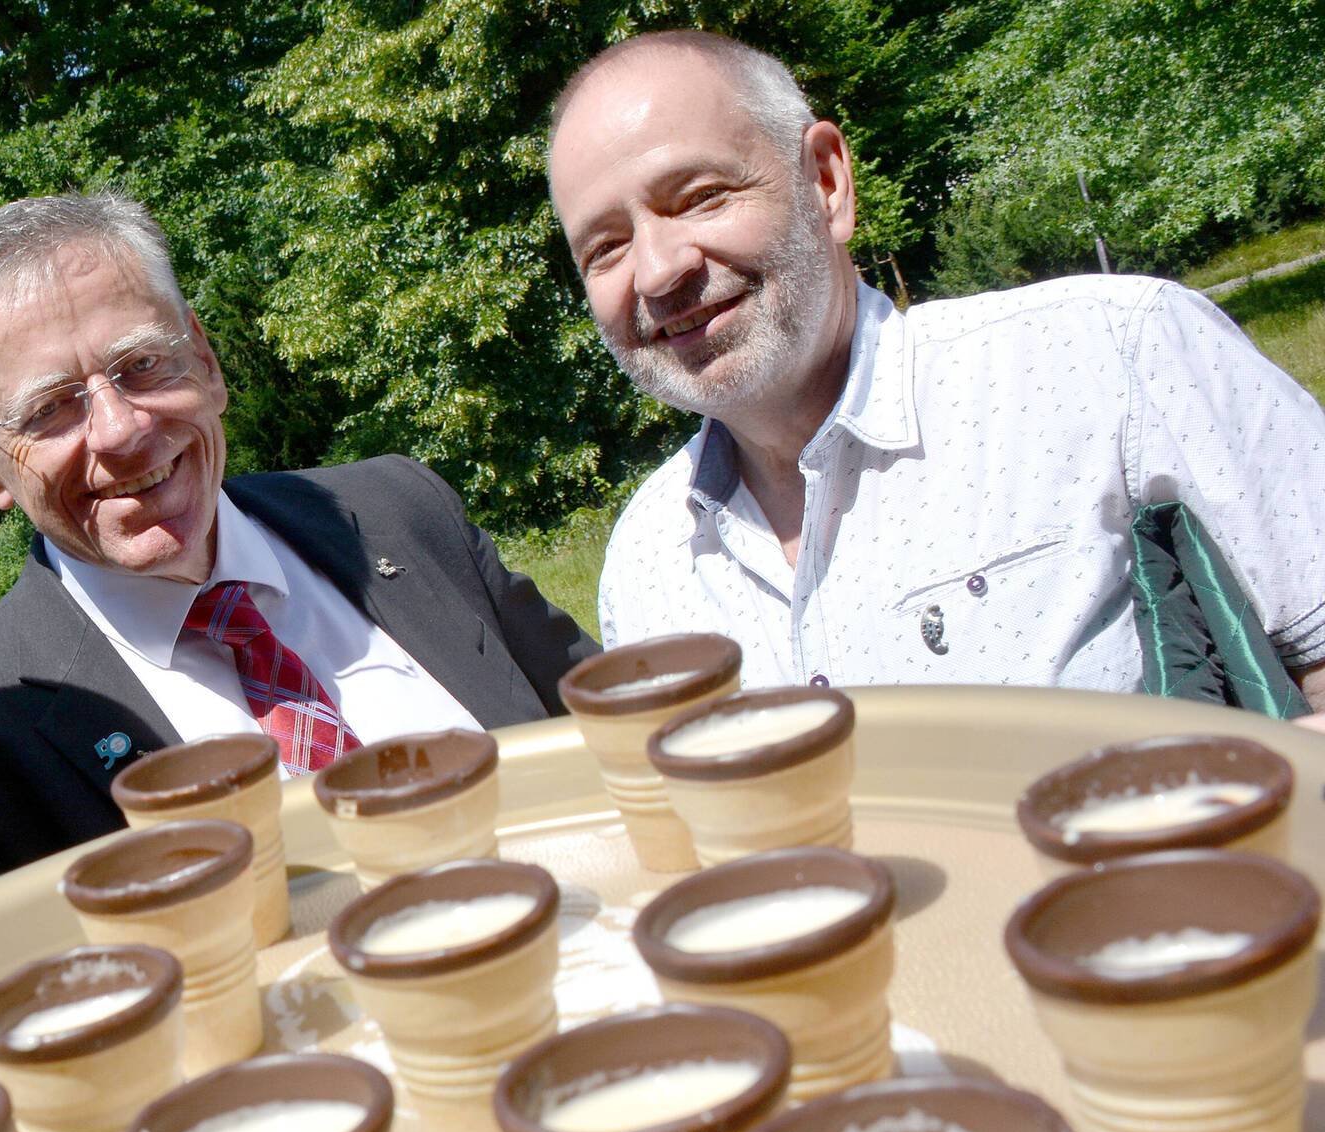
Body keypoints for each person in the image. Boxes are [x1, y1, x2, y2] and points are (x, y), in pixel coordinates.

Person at [547, 31, 1325, 716]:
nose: (657, 270)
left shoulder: (1112, 358)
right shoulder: (645, 563)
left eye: (700, 197)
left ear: (827, 182)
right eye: (605, 248)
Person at [0, 193, 598, 871]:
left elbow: (619, 738)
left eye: (140, 365)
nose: (122, 429)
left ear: (204, 359)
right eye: (49, 409)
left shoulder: (404, 514)